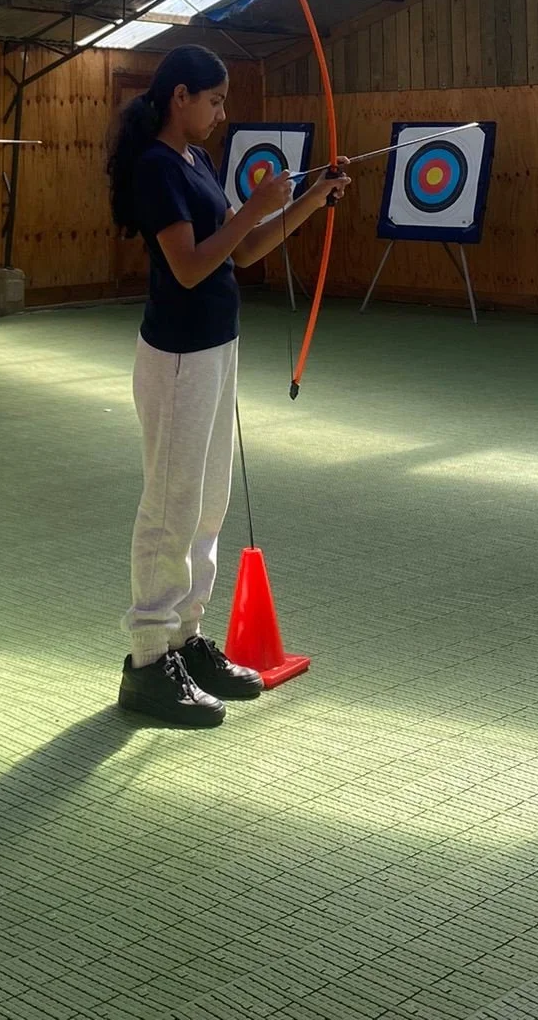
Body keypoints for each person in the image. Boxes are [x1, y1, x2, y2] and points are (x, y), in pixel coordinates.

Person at [106, 45, 350, 727]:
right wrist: (254, 207)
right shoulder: (157, 167)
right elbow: (188, 267)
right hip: (178, 355)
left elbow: (240, 252)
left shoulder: (197, 161)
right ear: (179, 97)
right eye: (213, 101)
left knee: (207, 501)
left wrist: (310, 200)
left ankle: (187, 638)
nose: (220, 114)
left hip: (216, 346)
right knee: (171, 504)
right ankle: (148, 661)